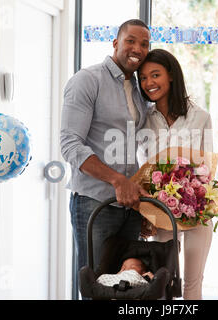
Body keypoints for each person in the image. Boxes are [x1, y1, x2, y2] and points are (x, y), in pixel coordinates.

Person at [60, 19, 152, 275]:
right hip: (94, 204)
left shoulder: (138, 87)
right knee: (96, 284)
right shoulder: (87, 81)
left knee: (128, 285)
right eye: (130, 41)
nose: (137, 49)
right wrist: (116, 179)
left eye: (144, 44)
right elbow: (69, 145)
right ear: (115, 43)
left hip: (131, 207)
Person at [137, 49, 214, 300]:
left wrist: (195, 195)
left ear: (171, 75)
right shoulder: (144, 120)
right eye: (143, 77)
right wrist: (146, 212)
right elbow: (142, 169)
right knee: (161, 285)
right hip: (160, 214)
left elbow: (207, 168)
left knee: (193, 286)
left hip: (196, 213)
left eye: (155, 75)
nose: (149, 83)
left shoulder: (200, 116)